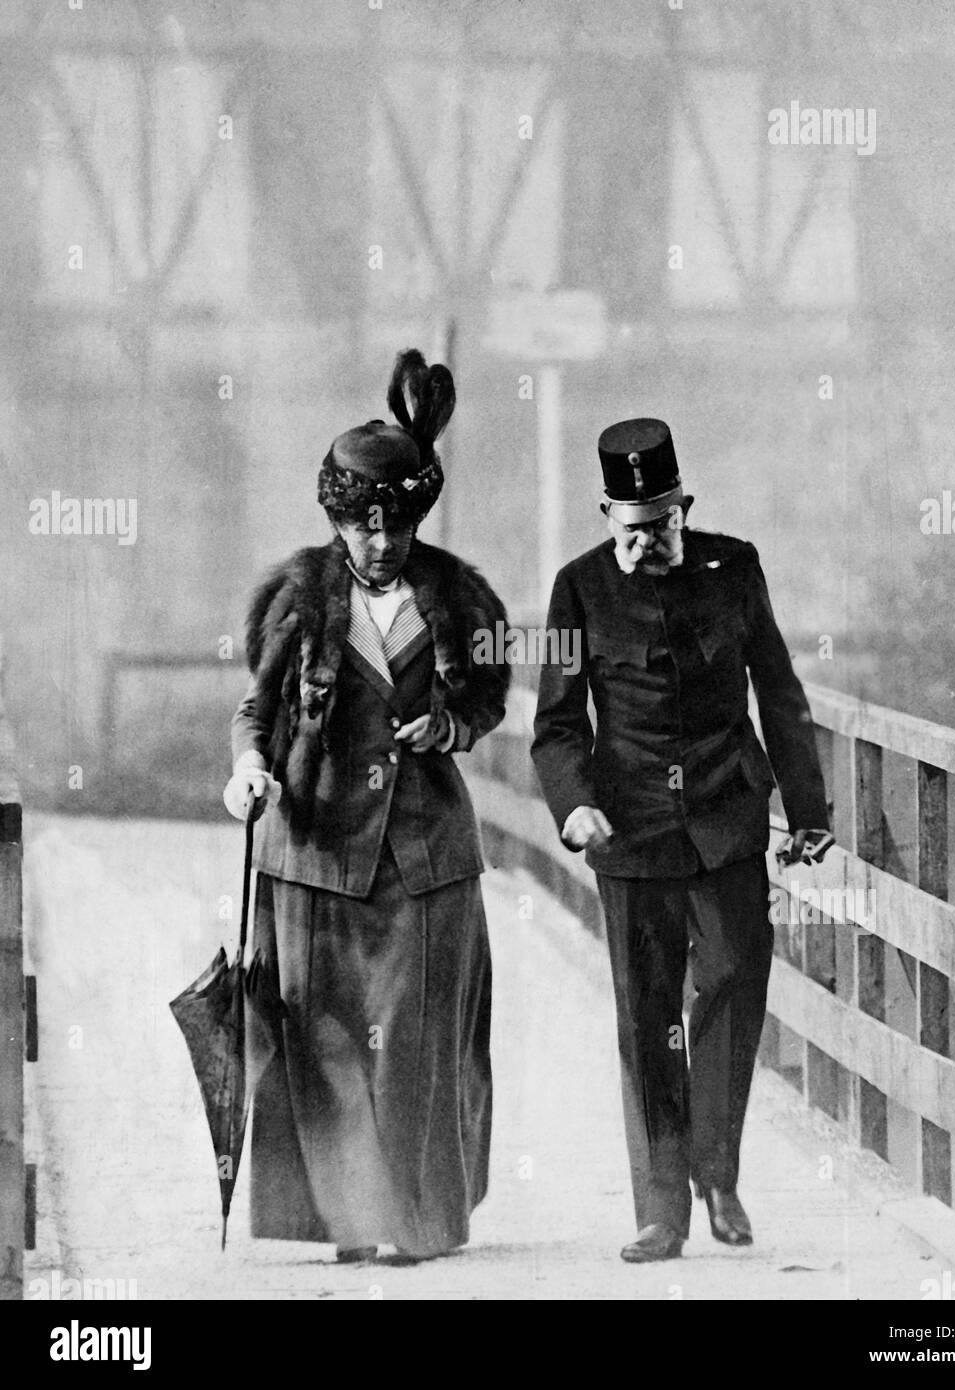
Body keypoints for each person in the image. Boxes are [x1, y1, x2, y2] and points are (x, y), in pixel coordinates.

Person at [223, 349, 510, 1264]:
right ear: (337, 520)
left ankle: (414, 1224)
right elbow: (255, 714)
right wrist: (247, 773)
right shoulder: (298, 597)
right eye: (361, 528)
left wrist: (454, 730)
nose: (379, 545)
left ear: (416, 516)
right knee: (326, 1045)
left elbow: (492, 700)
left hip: (425, 858)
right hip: (312, 855)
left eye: (394, 528)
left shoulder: (460, 599)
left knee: (417, 1046)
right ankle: (353, 1220)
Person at [530, 417, 832, 1263]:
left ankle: (717, 1171)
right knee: (648, 1014)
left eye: (660, 526)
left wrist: (809, 810)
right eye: (629, 532)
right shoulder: (576, 589)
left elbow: (779, 689)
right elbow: (554, 725)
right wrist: (573, 805)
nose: (644, 547)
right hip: (630, 832)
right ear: (605, 515)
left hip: (727, 816)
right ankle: (663, 1208)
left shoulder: (733, 567)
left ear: (684, 508)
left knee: (735, 981)